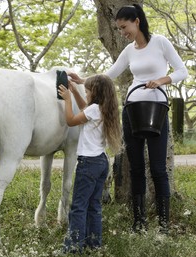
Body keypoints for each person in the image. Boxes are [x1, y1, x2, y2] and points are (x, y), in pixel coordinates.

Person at [69, 4, 188, 234]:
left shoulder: (160, 42)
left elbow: (182, 71)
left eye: (124, 27)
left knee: (158, 168)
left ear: (137, 21)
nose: (122, 32)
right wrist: (83, 80)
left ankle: (163, 225)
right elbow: (109, 75)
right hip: (132, 110)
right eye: (119, 28)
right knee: (135, 167)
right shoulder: (130, 50)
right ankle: (139, 222)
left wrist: (162, 80)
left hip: (156, 111)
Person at [58, 74, 122, 253]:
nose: (85, 94)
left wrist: (67, 100)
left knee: (78, 206)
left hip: (88, 163)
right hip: (101, 162)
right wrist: (75, 91)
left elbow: (71, 121)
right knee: (94, 206)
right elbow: (85, 108)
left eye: (86, 92)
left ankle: (73, 247)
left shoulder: (93, 110)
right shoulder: (103, 109)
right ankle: (94, 244)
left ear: (95, 93)